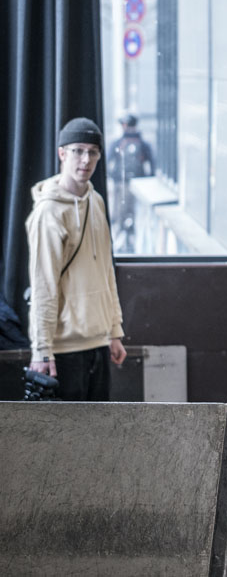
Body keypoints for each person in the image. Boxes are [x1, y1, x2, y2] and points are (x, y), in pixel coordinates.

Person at [26, 118, 127, 399]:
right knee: (69, 428)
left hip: (99, 342)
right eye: (78, 151)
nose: (86, 159)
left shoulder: (96, 201)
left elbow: (106, 272)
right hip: (64, 349)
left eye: (93, 152)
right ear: (62, 153)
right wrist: (42, 350)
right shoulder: (48, 212)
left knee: (101, 424)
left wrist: (114, 331)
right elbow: (43, 285)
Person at [106, 113, 154, 253]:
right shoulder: (143, 144)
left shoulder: (118, 143)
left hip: (122, 185)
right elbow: (152, 165)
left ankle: (120, 243)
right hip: (139, 186)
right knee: (136, 216)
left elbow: (108, 163)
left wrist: (114, 177)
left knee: (120, 216)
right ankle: (131, 242)